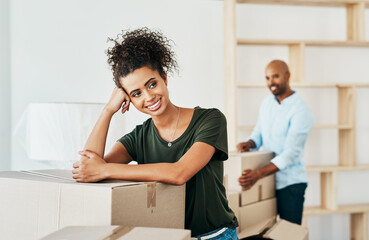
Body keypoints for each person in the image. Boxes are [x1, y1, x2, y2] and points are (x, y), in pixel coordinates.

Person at [72, 28, 238, 239]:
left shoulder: (210, 119)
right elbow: (89, 167)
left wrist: (105, 170)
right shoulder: (139, 137)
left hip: (215, 235)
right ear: (129, 100)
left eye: (152, 84)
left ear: (165, 78)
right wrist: (108, 111)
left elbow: (179, 173)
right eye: (136, 93)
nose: (149, 96)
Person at [236, 60, 314, 225]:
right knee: (263, 230)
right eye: (267, 78)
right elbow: (258, 134)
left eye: (275, 76)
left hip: (290, 184)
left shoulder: (301, 110)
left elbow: (291, 154)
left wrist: (257, 174)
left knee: (288, 234)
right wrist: (250, 143)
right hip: (268, 181)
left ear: (287, 76)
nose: (271, 82)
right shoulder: (266, 104)